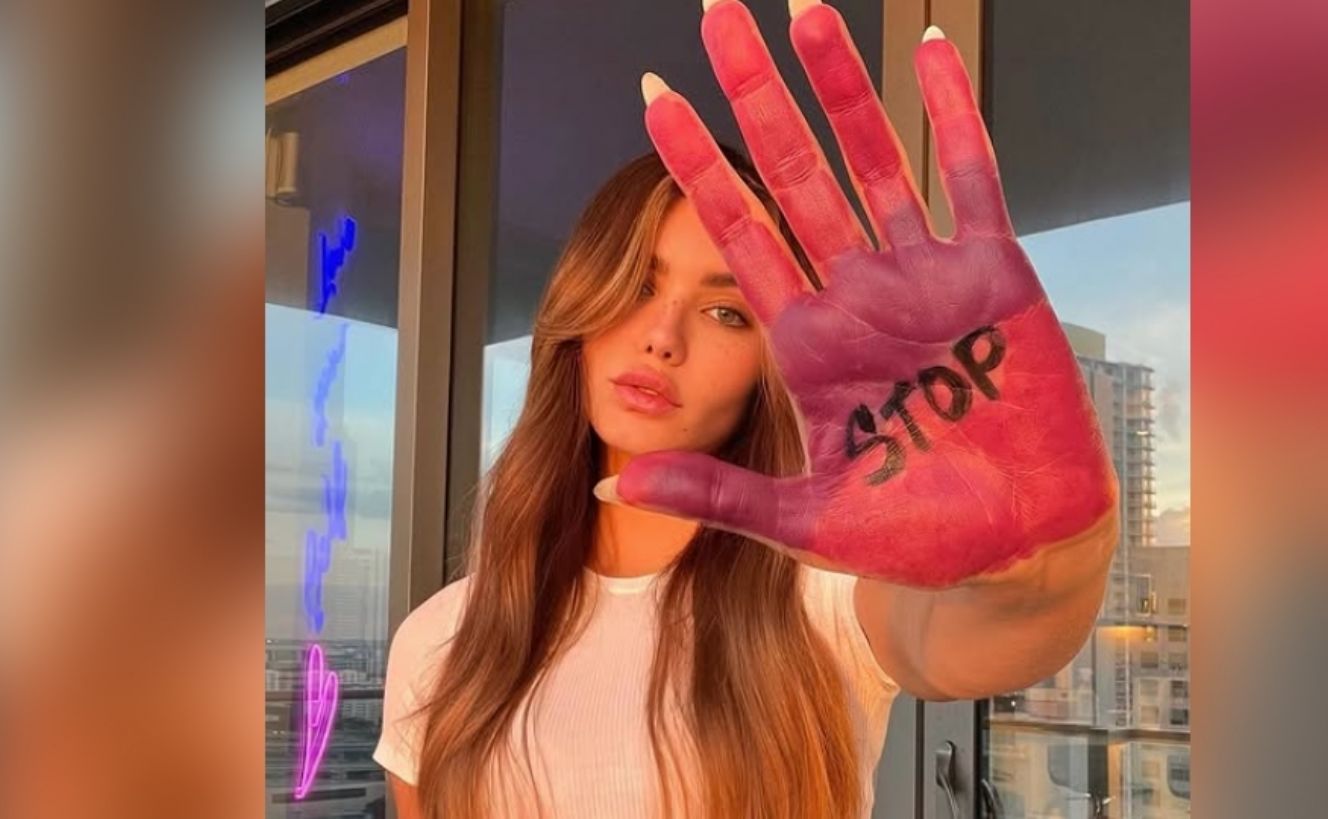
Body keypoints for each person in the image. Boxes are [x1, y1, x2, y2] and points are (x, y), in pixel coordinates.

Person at [374, 2, 1119, 817]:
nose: (661, 337)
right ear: (577, 311)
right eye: (637, 283)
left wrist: (1046, 562)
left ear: (768, 369)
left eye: (726, 312)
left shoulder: (822, 597)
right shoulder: (439, 641)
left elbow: (994, 633)